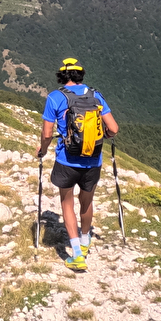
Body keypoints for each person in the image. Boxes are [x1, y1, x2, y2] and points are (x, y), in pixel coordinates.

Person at [34, 58, 120, 271]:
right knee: (87, 201)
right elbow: (114, 129)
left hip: (67, 159)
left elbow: (47, 133)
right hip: (93, 160)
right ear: (80, 75)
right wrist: (102, 136)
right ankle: (85, 238)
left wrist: (43, 151)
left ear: (62, 76)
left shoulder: (56, 97)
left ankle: (76, 254)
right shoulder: (95, 95)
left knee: (67, 202)